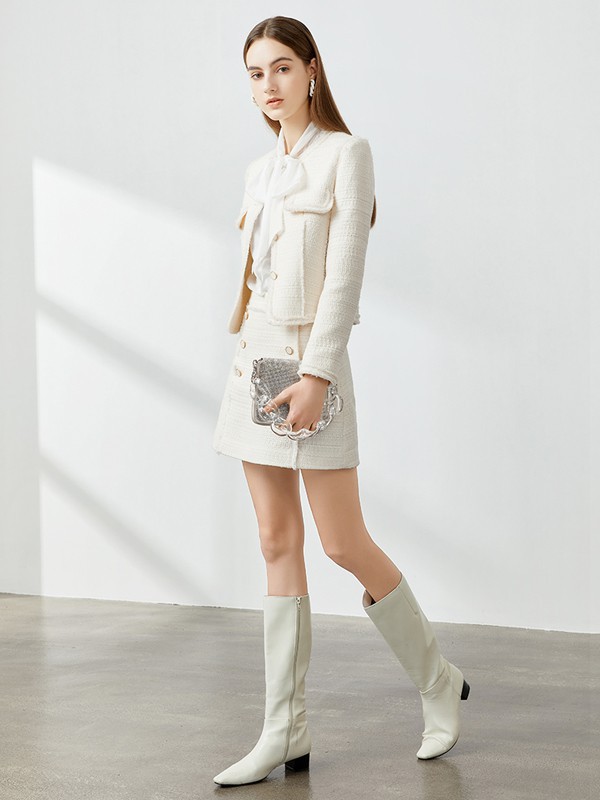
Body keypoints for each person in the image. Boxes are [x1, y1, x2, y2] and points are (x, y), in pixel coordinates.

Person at [212, 16, 470, 787]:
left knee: (342, 541)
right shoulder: (259, 172)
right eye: (256, 72)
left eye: (282, 68)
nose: (269, 85)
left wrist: (318, 374)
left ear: (312, 71)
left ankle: (438, 680)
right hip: (255, 365)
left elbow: (344, 278)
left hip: (311, 368)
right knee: (274, 541)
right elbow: (258, 283)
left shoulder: (346, 154)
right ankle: (283, 730)